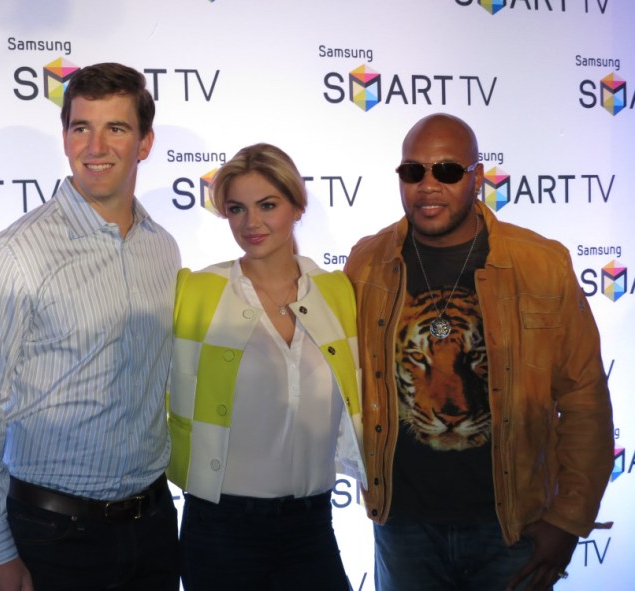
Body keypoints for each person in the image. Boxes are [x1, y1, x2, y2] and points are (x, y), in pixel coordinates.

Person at [344, 113, 614, 591]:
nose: (428, 186)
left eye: (447, 171)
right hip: (403, 526)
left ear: (477, 177)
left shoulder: (541, 264)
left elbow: (584, 398)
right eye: (413, 171)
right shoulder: (368, 263)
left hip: (512, 526)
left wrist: (568, 519)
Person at [0, 62, 181, 591]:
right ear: (65, 137)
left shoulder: (163, 248)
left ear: (144, 143)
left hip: (155, 527)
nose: (96, 147)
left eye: (116, 128)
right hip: (52, 537)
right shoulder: (15, 255)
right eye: (81, 128)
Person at [167, 143, 366, 591]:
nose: (250, 223)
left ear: (297, 206)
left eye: (267, 205)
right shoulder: (196, 291)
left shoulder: (338, 293)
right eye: (237, 209)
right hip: (219, 528)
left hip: (312, 526)